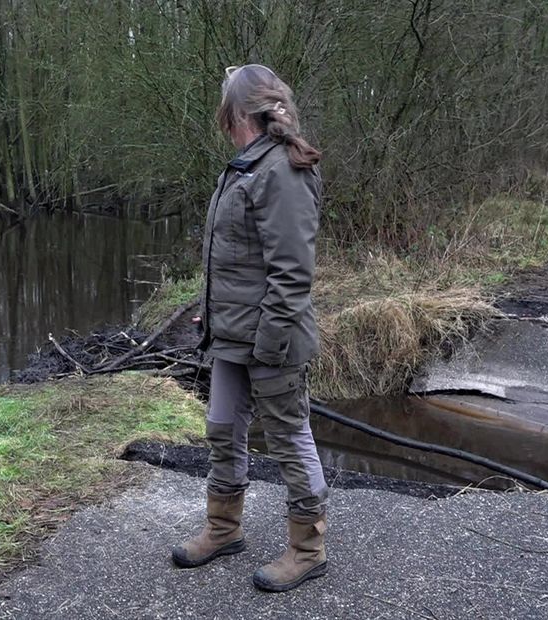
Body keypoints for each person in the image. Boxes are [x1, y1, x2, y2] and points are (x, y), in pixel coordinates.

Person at [171, 64, 328, 593]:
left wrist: (269, 344)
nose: (219, 113)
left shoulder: (283, 171)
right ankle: (223, 529)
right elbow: (236, 261)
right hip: (232, 335)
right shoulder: (243, 166)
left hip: (271, 340)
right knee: (220, 428)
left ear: (237, 111)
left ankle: (308, 550)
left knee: (287, 440)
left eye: (223, 103)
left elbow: (292, 273)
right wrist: (212, 315)